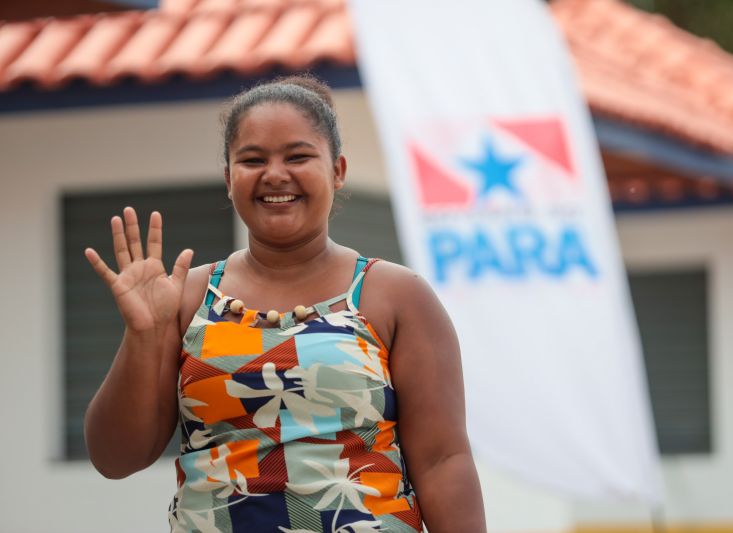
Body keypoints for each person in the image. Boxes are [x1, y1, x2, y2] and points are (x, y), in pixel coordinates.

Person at [83, 75, 486, 532]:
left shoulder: (395, 295)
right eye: (252, 160)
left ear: (337, 170)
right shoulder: (185, 297)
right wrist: (144, 336)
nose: (275, 174)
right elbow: (115, 459)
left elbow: (442, 461)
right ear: (229, 179)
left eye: (298, 156)